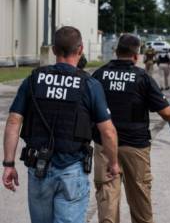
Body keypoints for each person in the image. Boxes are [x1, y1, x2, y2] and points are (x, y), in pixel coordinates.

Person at [2, 26, 120, 223]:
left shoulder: (33, 80)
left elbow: (14, 121)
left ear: (54, 50)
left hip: (38, 167)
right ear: (80, 50)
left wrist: (8, 164)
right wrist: (113, 162)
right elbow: (107, 132)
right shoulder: (89, 85)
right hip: (71, 170)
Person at [92, 34, 170, 223]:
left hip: (104, 146)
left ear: (116, 51)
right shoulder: (142, 78)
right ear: (136, 55)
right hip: (135, 147)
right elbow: (167, 113)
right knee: (140, 202)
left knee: (107, 200)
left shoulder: (99, 75)